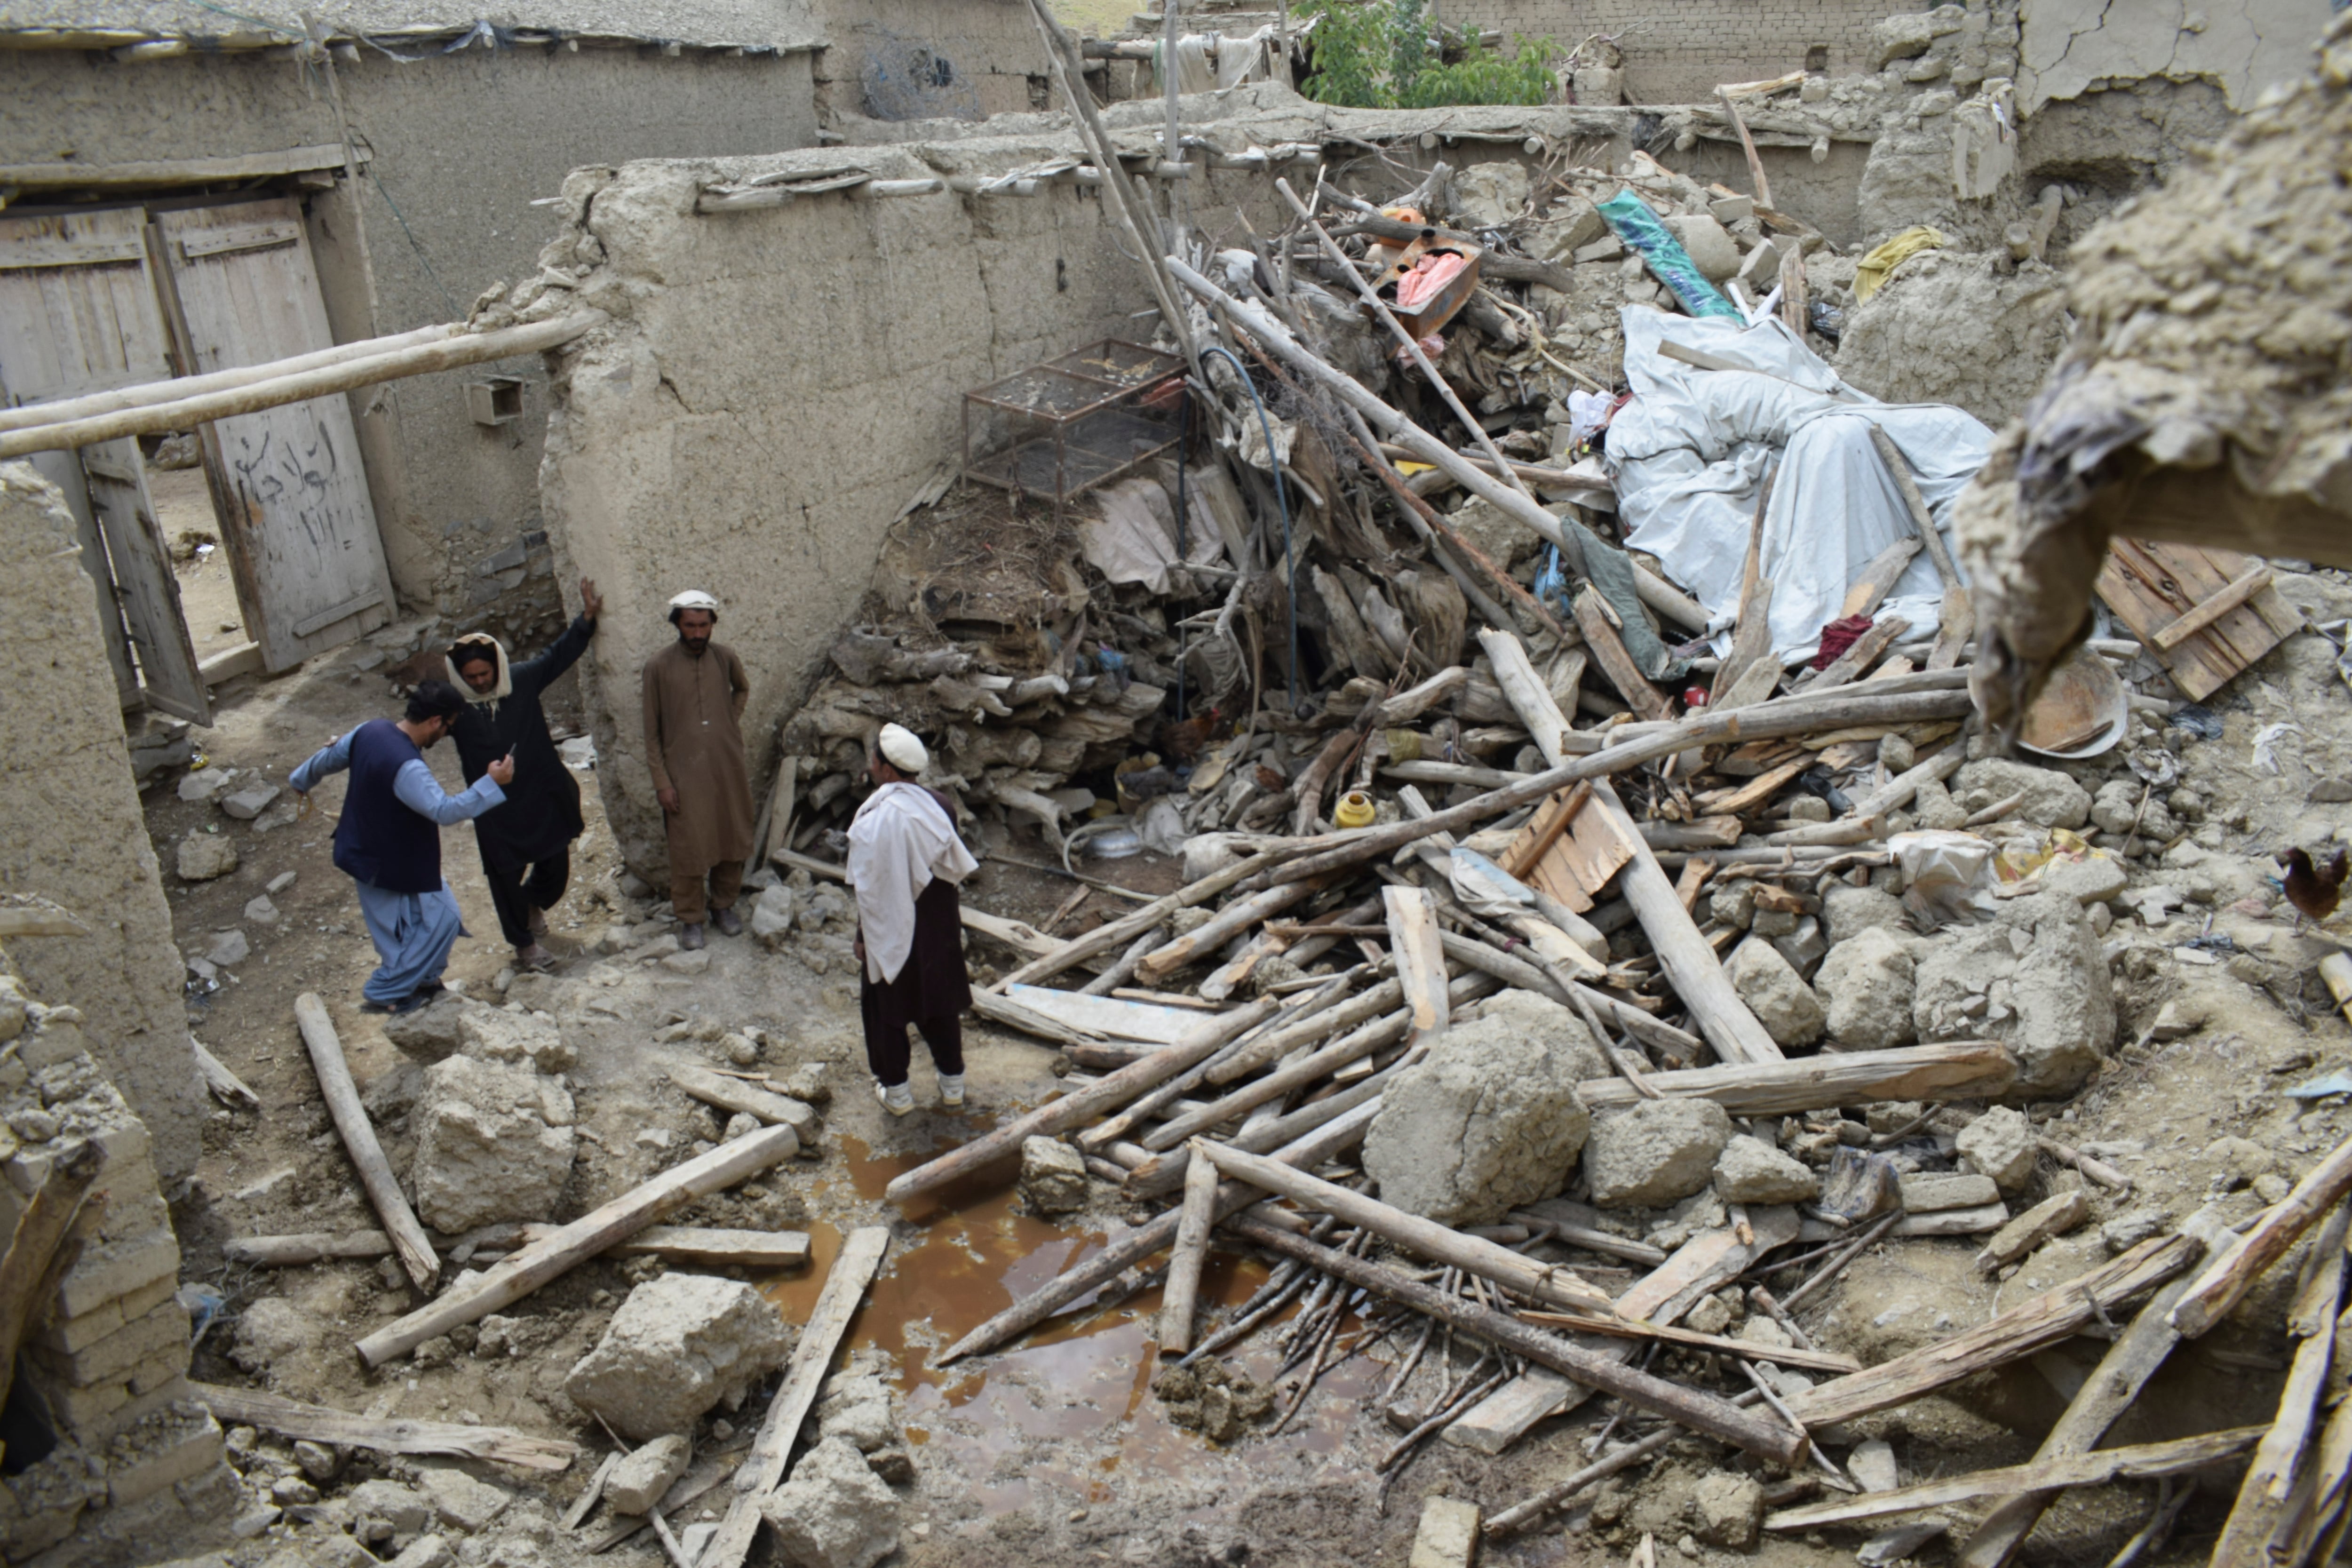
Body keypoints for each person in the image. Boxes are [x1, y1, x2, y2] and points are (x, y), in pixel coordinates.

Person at [290, 681, 514, 1015]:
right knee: (427, 925)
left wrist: (300, 779)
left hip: (371, 852)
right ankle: (386, 990)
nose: (447, 735)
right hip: (386, 862)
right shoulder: (408, 766)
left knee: (415, 926)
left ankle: (423, 980)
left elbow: (331, 757)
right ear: (436, 721)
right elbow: (443, 810)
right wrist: (490, 784)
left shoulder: (371, 730)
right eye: (449, 727)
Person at [445, 578, 604, 974]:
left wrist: (586, 618)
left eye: (485, 674)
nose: (480, 682)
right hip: (494, 806)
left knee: (556, 867)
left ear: (496, 666)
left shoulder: (522, 679)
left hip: (541, 792)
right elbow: (418, 727)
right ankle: (524, 944)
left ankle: (533, 902)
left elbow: (559, 654)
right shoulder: (454, 706)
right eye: (472, 677)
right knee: (504, 878)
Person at [848, 724, 977, 1116]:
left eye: (874, 761)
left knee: (886, 1003)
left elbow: (872, 887)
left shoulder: (874, 817)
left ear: (886, 769)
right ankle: (952, 1086)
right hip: (938, 928)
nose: (870, 767)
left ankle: (898, 1094)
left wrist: (862, 935)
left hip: (890, 927)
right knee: (939, 1001)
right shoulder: (941, 807)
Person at [641, 589, 754, 949]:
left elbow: (742, 690)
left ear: (712, 625)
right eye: (690, 625)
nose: (697, 633)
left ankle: (724, 906)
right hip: (683, 774)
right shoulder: (658, 667)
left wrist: (728, 723)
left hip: (726, 766)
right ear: (678, 625)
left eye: (704, 625)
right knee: (689, 846)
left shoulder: (725, 658)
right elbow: (651, 733)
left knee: (730, 837)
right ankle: (691, 918)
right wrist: (662, 782)